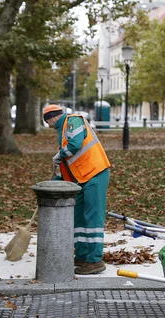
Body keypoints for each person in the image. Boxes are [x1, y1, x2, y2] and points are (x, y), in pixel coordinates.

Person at [43, 104, 111, 275]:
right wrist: (58, 179)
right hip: (81, 178)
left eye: (48, 122)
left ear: (51, 117)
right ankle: (81, 255)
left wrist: (60, 154)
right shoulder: (63, 128)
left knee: (92, 217)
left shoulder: (73, 120)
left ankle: (95, 260)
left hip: (95, 173)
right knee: (79, 217)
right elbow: (71, 160)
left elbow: (75, 144)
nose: (49, 126)